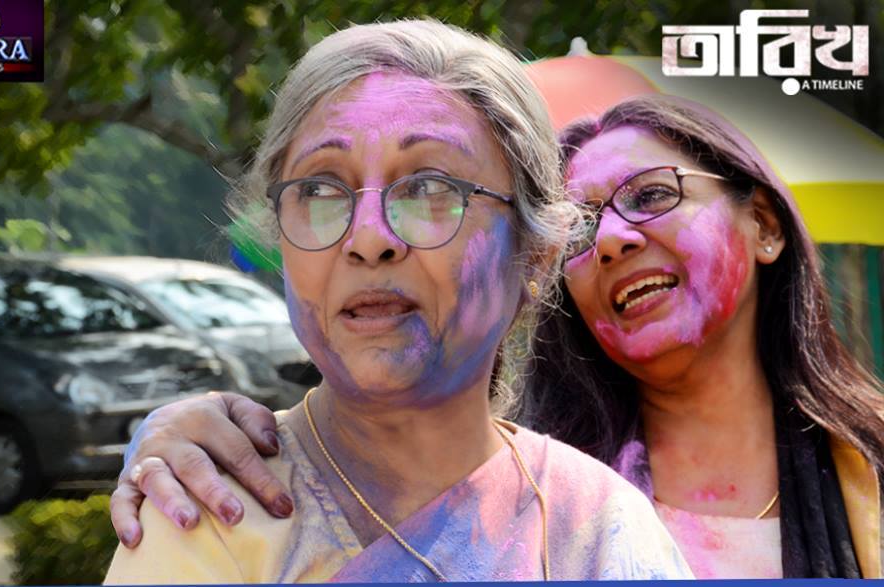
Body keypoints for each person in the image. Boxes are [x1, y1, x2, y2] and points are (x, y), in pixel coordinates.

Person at [110, 93, 884, 578]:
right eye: (583, 225)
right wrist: (169, 435)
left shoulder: (869, 466)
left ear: (765, 224)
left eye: (651, 196)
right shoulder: (529, 492)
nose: (612, 239)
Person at [103, 20, 692, 584]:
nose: (368, 238)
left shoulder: (597, 531)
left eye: (430, 188)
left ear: (536, 255)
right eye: (320, 189)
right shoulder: (207, 511)